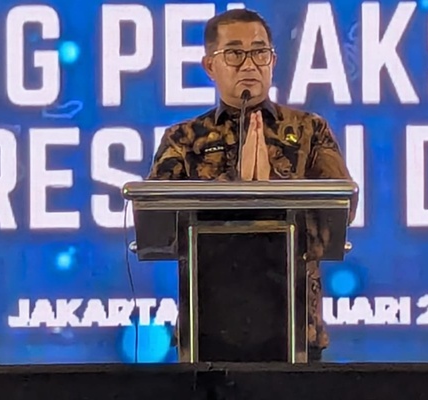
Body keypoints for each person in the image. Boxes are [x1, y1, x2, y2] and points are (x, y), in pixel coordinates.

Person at [147, 8, 358, 362]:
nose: (249, 64)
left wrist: (269, 191)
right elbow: (160, 225)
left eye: (260, 52)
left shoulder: (310, 130)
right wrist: (235, 188)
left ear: (272, 61)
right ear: (210, 66)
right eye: (234, 53)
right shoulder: (183, 139)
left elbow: (341, 210)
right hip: (207, 324)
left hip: (295, 325)